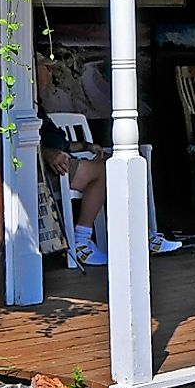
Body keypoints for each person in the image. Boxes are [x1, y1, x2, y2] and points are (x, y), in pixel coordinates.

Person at [37, 65, 180, 262]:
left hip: (64, 159)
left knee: (118, 171)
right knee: (109, 169)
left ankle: (142, 234)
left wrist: (86, 145)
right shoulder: (25, 106)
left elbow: (59, 142)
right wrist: (48, 153)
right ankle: (82, 241)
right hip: (50, 169)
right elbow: (27, 141)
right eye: (45, 70)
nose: (49, 74)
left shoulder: (38, 107)